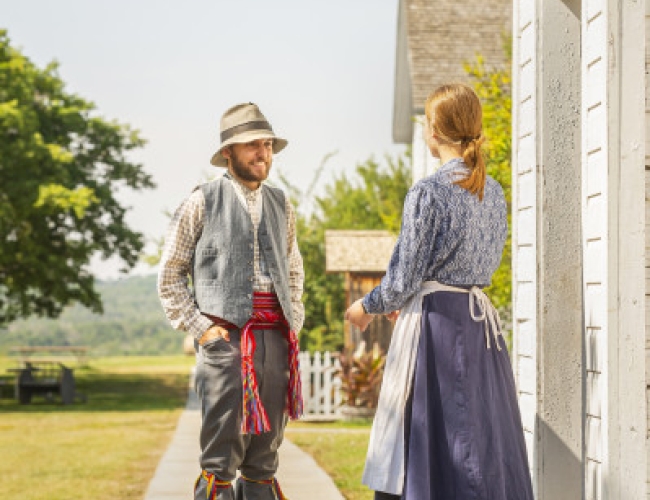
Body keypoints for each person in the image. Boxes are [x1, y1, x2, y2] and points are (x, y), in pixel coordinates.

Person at [345, 83, 534, 500]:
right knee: (478, 437)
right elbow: (481, 265)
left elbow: (402, 277)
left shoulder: (429, 192)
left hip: (438, 331)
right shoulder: (493, 191)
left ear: (433, 131)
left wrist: (365, 306)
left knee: (439, 437)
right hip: (479, 327)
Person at [158, 102, 305, 500]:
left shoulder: (281, 204)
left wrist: (293, 320)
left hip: (274, 336)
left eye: (268, 144)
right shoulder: (200, 201)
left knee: (264, 459)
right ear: (228, 152)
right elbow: (170, 274)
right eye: (252, 146)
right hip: (225, 339)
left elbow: (293, 271)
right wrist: (203, 330)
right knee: (221, 458)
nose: (263, 153)